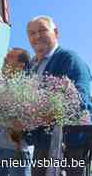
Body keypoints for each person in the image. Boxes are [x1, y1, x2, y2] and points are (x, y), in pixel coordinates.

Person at [26, 15, 92, 176]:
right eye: (32, 33)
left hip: (71, 147)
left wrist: (44, 114)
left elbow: (81, 102)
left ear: (56, 33)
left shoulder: (70, 59)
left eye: (42, 30)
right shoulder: (32, 69)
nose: (37, 36)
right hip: (43, 146)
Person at [0, 48, 32, 176]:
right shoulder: (0, 85)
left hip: (17, 151)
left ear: (21, 65)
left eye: (10, 57)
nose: (5, 59)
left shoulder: (27, 86)